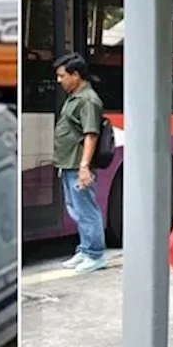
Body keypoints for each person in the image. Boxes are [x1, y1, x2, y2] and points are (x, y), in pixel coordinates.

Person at [52, 52, 107, 274]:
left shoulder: (88, 100)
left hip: (77, 164)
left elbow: (90, 134)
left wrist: (84, 167)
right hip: (69, 163)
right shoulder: (76, 97)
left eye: (61, 75)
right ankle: (85, 249)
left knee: (86, 210)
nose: (59, 80)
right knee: (76, 209)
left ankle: (95, 254)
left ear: (75, 75)